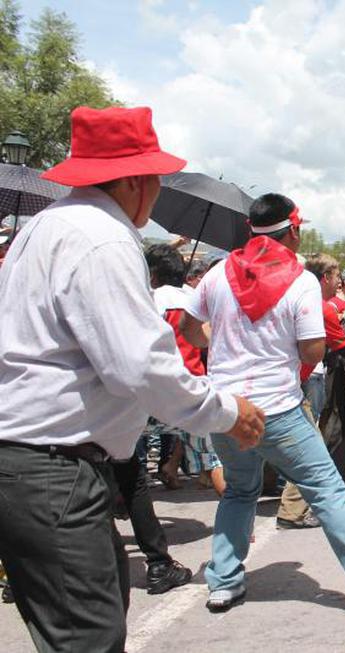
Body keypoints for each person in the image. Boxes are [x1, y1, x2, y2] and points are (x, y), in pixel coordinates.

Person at [0, 106, 265, 652]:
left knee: (84, 620)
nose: (156, 194)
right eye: (152, 179)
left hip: (35, 461)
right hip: (52, 463)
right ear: (131, 181)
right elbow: (139, 365)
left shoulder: (50, 227)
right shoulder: (101, 237)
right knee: (88, 636)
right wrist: (227, 412)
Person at [182, 194, 345, 615]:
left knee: (240, 491)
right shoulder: (300, 280)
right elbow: (313, 350)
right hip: (277, 408)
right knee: (328, 491)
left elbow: (190, 329)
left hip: (224, 406)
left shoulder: (219, 272)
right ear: (292, 230)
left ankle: (222, 582)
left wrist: (223, 342)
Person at [276, 254, 345, 528]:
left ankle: (277, 489)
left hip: (281, 381)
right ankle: (292, 511)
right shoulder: (320, 307)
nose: (339, 282)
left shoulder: (296, 299)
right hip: (292, 385)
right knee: (309, 448)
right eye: (337, 276)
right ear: (325, 278)